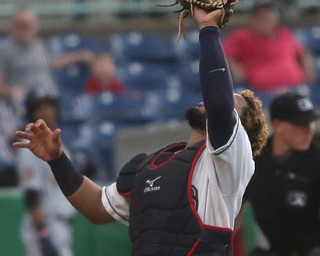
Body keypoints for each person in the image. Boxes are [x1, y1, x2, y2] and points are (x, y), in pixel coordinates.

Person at [13, 6, 269, 255]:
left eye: (233, 103)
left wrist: (208, 28)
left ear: (241, 133)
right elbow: (96, 207)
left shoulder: (229, 164)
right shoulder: (150, 163)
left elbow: (219, 102)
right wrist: (58, 160)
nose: (217, 99)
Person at [242, 91, 320, 255]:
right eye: (300, 124)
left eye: (311, 123)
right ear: (278, 125)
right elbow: (234, 212)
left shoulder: (316, 160)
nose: (309, 130)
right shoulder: (255, 160)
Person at [222, 0, 317, 107]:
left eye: (268, 16)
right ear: (253, 20)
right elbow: (221, 54)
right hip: (263, 93)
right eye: (261, 17)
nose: (265, 20)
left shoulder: (284, 33)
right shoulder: (242, 37)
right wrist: (235, 66)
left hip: (295, 89)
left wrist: (307, 66)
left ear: (276, 18)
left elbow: (302, 52)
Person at [0, 7, 95, 113]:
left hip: (48, 100)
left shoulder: (39, 45)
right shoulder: (4, 49)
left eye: (27, 25)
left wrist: (79, 56)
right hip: (23, 104)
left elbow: (52, 62)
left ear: (35, 26)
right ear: (12, 26)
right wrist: (13, 92)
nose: (24, 29)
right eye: (20, 25)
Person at [16, 89, 76, 256]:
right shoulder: (29, 145)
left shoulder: (56, 143)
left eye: (50, 106)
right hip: (45, 227)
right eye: (40, 108)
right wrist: (43, 235)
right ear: (31, 113)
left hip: (61, 226)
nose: (46, 112)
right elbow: (31, 195)